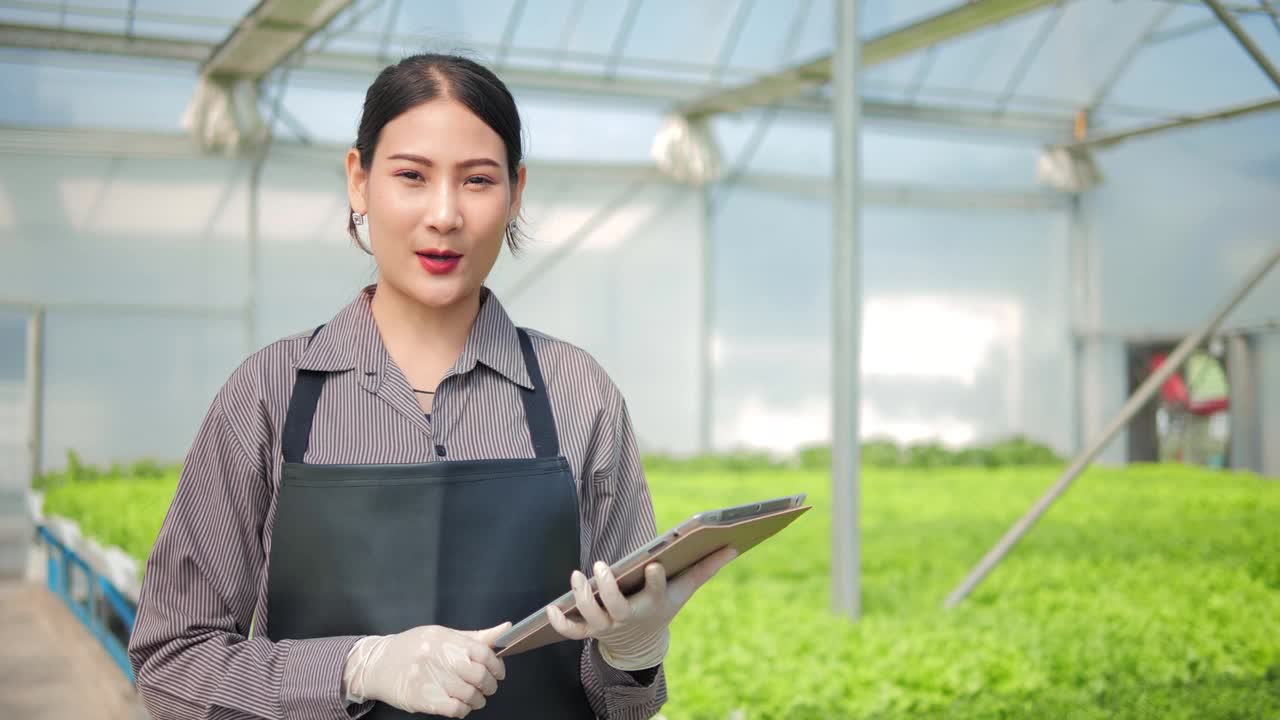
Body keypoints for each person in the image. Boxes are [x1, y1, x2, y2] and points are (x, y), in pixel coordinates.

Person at [127, 53, 736, 720]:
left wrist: (632, 653)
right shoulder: (271, 394)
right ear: (359, 181)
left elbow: (622, 707)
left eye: (477, 181)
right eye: (412, 176)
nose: (445, 215)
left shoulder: (577, 395)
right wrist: (354, 668)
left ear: (516, 192)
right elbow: (170, 662)